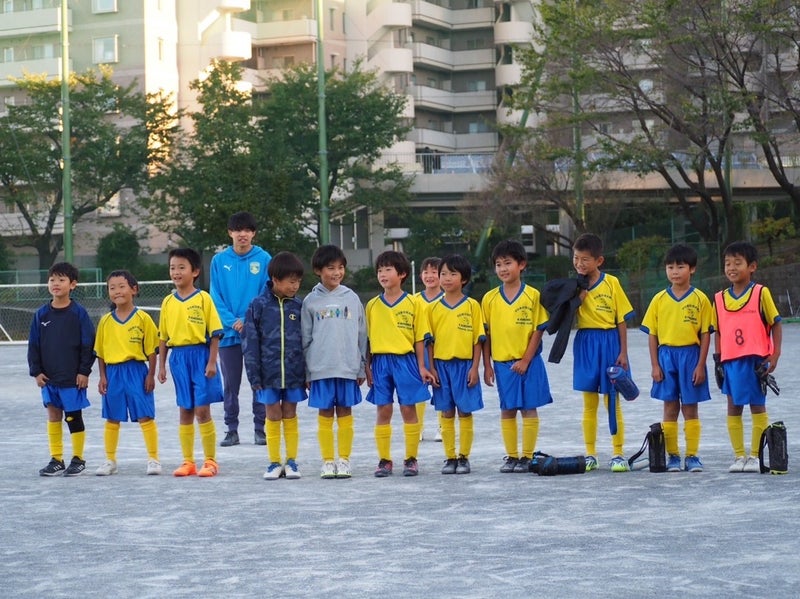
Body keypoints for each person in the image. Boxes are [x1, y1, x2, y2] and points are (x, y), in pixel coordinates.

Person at [640, 244, 714, 472]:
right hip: (666, 357)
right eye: (670, 267)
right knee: (670, 408)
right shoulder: (658, 299)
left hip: (691, 356)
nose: (674, 271)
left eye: (680, 267)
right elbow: (652, 335)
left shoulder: (700, 299)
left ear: (692, 269)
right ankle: (672, 456)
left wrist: (701, 365)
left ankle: (692, 456)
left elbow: (705, 334)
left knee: (690, 408)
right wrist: (655, 365)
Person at [482, 241, 552, 473]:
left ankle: (527, 456)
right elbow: (486, 335)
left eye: (507, 263)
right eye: (498, 264)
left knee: (529, 408)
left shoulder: (532, 296)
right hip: (503, 364)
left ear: (521, 265)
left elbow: (538, 331)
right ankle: (512, 456)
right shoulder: (489, 299)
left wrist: (525, 360)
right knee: (508, 409)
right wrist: (487, 365)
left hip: (529, 363)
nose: (502, 269)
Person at [714, 241, 782, 473]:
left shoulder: (761, 293)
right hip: (730, 362)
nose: (731, 268)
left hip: (755, 361)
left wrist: (775, 354)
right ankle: (738, 456)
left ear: (752, 266)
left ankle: (755, 455)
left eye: (738, 263)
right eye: (727, 263)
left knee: (757, 406)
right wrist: (718, 360)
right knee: (733, 407)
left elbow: (775, 323)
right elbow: (719, 331)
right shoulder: (719, 298)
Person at [365, 250, 434, 477]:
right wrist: (367, 367)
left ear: (402, 273)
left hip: (406, 361)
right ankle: (384, 460)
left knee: (408, 409)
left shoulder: (414, 303)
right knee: (383, 409)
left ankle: (411, 458)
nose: (383, 274)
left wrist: (422, 366)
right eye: (379, 270)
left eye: (388, 269)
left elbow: (419, 338)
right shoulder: (372, 305)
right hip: (381, 362)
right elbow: (367, 339)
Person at [571, 233, 636, 472]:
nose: (579, 264)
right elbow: (564, 315)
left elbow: (621, 320)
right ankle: (590, 454)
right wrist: (577, 298)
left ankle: (618, 453)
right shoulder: (574, 286)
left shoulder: (612, 283)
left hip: (610, 342)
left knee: (612, 400)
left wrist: (623, 352)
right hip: (586, 343)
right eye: (576, 258)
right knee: (589, 403)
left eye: (585, 259)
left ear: (599, 261)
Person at [157, 248, 224, 478]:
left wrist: (212, 362)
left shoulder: (203, 298)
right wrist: (162, 366)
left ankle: (210, 460)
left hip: (200, 356)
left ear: (195, 271)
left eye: (181, 267)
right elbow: (163, 337)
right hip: (178, 359)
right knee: (185, 409)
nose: (176, 272)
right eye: (172, 267)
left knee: (202, 410)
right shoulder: (167, 302)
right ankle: (188, 461)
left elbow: (215, 333)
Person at [301, 245, 366, 479]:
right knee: (326, 412)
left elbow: (361, 334)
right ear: (318, 270)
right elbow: (305, 339)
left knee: (345, 411)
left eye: (340, 268)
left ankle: (344, 460)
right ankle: (328, 461)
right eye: (330, 268)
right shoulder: (310, 301)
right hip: (320, 369)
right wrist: (307, 372)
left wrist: (361, 366)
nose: (337, 273)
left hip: (347, 367)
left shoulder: (352, 298)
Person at [210, 211, 271, 447]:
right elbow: (215, 296)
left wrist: (248, 320)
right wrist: (232, 321)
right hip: (228, 334)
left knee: (259, 381)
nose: (242, 234)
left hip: (256, 332)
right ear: (230, 233)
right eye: (237, 230)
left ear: (253, 233)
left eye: (247, 230)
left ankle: (260, 428)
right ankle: (231, 429)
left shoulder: (264, 259)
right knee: (230, 384)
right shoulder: (219, 261)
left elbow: (267, 292)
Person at [243, 251, 307, 480]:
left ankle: (291, 461)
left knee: (290, 414)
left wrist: (306, 372)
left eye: (298, 281)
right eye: (291, 281)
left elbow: (307, 341)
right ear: (275, 279)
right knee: (272, 415)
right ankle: (273, 462)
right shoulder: (257, 305)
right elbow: (250, 342)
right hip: (267, 374)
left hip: (293, 373)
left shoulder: (299, 306)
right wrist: (254, 375)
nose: (295, 286)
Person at [28, 262, 95, 477]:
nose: (55, 283)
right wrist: (36, 371)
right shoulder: (41, 314)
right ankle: (56, 458)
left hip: (71, 377)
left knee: (73, 416)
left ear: (72, 284)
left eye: (61, 280)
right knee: (53, 414)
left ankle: (78, 458)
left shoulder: (79, 313)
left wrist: (84, 371)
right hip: (49, 377)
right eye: (52, 280)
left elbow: (88, 344)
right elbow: (34, 345)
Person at [94, 270, 162, 476]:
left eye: (121, 286)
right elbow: (101, 352)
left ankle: (153, 459)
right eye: (112, 288)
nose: (117, 291)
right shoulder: (105, 321)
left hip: (136, 371)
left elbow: (151, 351)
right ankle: (110, 460)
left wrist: (150, 375)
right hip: (113, 373)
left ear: (134, 289)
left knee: (145, 416)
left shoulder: (143, 318)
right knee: (112, 417)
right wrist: (102, 376)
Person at [428, 254, 484, 474]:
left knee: (465, 411)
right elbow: (429, 342)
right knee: (446, 412)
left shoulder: (472, 306)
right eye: (443, 274)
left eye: (453, 274)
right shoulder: (433, 308)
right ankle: (450, 457)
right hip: (441, 367)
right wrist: (432, 368)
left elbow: (478, 340)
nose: (447, 278)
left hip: (464, 366)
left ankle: (464, 457)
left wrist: (475, 368)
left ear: (464, 279)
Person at [415, 256, 443, 442]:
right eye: (426, 272)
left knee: (441, 388)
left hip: (441, 351)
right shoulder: (414, 300)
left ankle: (442, 427)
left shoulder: (447, 299)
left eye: (434, 272)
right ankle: (417, 427)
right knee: (418, 390)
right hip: (420, 352)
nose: (430, 276)